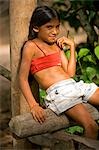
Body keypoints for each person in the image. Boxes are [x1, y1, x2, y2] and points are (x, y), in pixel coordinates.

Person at [19, 6, 99, 139]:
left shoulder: (56, 45)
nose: (55, 31)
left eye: (57, 27)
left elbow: (70, 74)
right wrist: (33, 105)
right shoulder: (31, 46)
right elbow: (22, 79)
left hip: (75, 85)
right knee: (92, 127)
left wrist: (72, 47)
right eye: (49, 27)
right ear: (36, 28)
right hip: (60, 93)